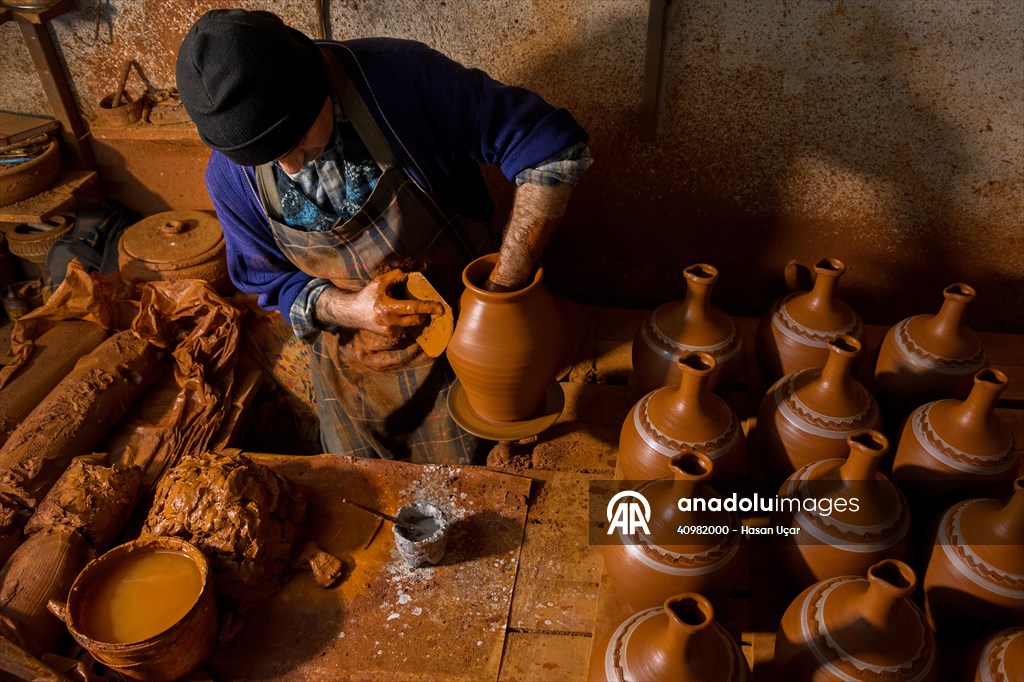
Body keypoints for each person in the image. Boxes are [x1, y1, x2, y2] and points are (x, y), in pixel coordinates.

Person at [176, 9, 591, 464]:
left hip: (467, 356)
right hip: (356, 381)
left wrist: (503, 289)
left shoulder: (398, 81)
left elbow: (550, 147)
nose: (293, 166)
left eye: (296, 141)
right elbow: (272, 282)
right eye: (270, 159)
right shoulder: (231, 180)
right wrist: (350, 310)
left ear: (318, 87)